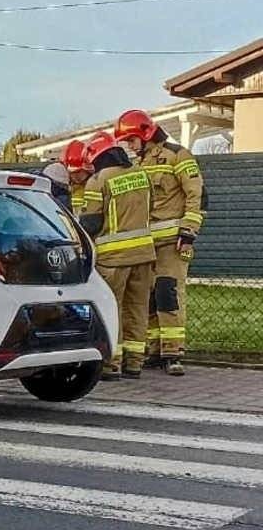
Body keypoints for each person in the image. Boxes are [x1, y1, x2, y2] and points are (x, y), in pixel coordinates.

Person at [115, 109, 205, 376]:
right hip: (145, 243)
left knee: (168, 292)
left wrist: (188, 233)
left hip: (172, 242)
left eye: (131, 140)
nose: (129, 147)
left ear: (144, 133)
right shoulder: (136, 166)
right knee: (149, 296)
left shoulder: (178, 156)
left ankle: (172, 352)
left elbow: (195, 195)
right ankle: (154, 349)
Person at [78, 133, 154, 380]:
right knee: (138, 308)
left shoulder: (98, 181)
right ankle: (134, 364)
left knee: (113, 309)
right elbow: (150, 209)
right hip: (144, 254)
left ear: (97, 156)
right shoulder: (142, 175)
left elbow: (91, 222)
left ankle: (112, 364)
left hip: (113, 258)